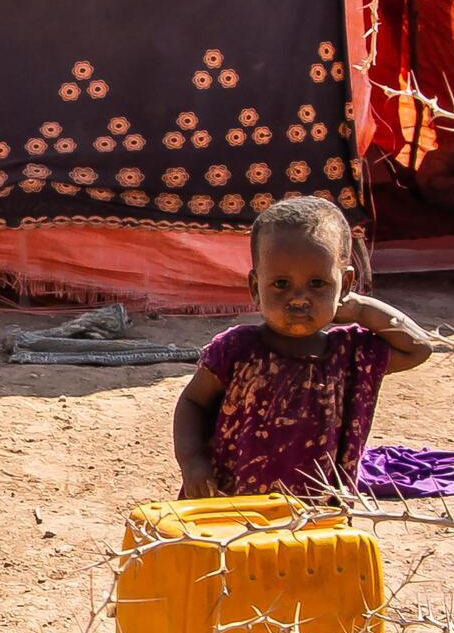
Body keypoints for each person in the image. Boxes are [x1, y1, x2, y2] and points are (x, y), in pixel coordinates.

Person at [173, 198, 434, 499]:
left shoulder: (351, 354)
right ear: (256, 288)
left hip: (315, 513)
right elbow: (194, 403)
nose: (299, 298)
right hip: (230, 504)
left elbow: (418, 347)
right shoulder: (236, 349)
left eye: (318, 283)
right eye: (281, 284)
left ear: (346, 283)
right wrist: (192, 462)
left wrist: (359, 308)